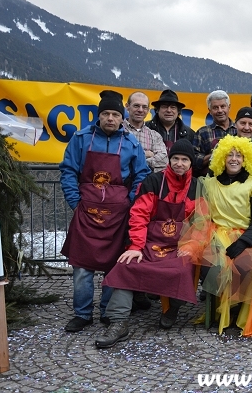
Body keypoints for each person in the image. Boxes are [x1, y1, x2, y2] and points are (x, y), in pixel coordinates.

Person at [94, 140, 199, 348]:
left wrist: (191, 245)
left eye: (184, 160)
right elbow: (139, 215)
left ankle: (172, 309)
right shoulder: (152, 181)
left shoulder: (198, 187)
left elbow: (201, 222)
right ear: (169, 160)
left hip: (180, 244)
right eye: (175, 158)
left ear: (190, 163)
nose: (179, 163)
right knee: (126, 266)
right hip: (150, 243)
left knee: (184, 269)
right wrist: (135, 246)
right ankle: (118, 323)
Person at [60, 90, 150, 332]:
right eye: (106, 114)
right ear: (98, 116)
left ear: (122, 118)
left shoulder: (131, 142)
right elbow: (68, 171)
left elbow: (142, 175)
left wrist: (129, 203)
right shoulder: (80, 139)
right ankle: (82, 314)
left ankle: (109, 312)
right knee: (82, 268)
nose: (111, 118)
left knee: (114, 264)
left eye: (115, 114)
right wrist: (75, 202)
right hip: (85, 211)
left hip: (118, 214)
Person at [179, 135, 252, 337]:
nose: (234, 159)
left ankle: (238, 311)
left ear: (246, 159)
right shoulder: (209, 184)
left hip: (246, 235)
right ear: (221, 157)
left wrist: (244, 242)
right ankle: (221, 310)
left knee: (247, 262)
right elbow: (202, 217)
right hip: (215, 233)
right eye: (229, 154)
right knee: (215, 262)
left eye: (239, 155)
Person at [193, 90, 237, 176]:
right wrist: (215, 154)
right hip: (211, 182)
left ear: (229, 107)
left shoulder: (239, 130)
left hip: (237, 183)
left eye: (223, 106)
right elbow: (194, 160)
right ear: (209, 110)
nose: (220, 110)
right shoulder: (202, 132)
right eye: (215, 107)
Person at [123, 91, 168, 172]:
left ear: (148, 110)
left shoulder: (154, 135)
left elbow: (164, 161)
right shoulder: (118, 130)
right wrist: (145, 154)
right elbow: (116, 157)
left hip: (145, 182)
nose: (140, 110)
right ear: (127, 106)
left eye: (144, 107)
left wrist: (135, 160)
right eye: (136, 106)